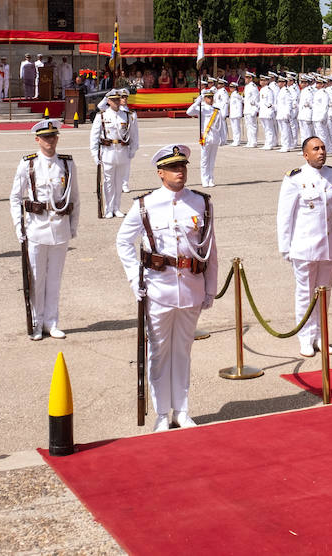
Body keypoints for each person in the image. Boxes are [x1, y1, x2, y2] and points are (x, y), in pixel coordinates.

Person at [116, 144, 217, 432]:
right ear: (160, 173)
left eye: (183, 166)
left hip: (191, 287)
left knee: (183, 351)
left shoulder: (201, 203)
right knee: (159, 352)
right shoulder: (145, 205)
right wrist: (135, 280)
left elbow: (211, 249)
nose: (180, 172)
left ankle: (182, 411)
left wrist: (210, 288)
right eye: (173, 168)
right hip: (158, 289)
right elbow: (123, 241)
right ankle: (162, 413)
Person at [11, 118, 79, 340]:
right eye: (45, 137)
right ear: (37, 139)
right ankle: (36, 322)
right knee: (37, 279)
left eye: (53, 136)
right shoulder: (28, 164)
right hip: (36, 228)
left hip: (59, 229)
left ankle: (52, 322)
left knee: (54, 279)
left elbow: (75, 198)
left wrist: (72, 227)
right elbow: (15, 197)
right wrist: (19, 227)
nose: (50, 141)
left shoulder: (67, 164)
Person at [276, 136, 332, 358]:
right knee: (305, 294)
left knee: (324, 294)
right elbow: (285, 215)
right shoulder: (294, 179)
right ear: (305, 154)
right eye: (315, 149)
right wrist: (285, 247)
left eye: (323, 148)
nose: (321, 152)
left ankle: (321, 336)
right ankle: (305, 337)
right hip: (304, 247)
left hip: (329, 247)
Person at [90, 89, 138, 217]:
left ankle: (117, 207)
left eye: (118, 99)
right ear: (108, 101)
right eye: (114, 100)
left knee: (119, 182)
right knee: (108, 182)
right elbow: (94, 137)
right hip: (108, 152)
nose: (117, 102)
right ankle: (108, 208)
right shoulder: (102, 116)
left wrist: (133, 149)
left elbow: (134, 134)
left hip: (122, 152)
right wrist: (95, 154)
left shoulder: (127, 115)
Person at [186, 88, 225, 187]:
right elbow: (189, 112)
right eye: (208, 97)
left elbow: (221, 125)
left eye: (211, 97)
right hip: (206, 137)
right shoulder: (201, 108)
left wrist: (222, 138)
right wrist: (196, 103)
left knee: (212, 160)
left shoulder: (216, 109)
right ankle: (204, 179)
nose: (210, 99)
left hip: (215, 137)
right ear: (204, 98)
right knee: (204, 160)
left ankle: (211, 179)